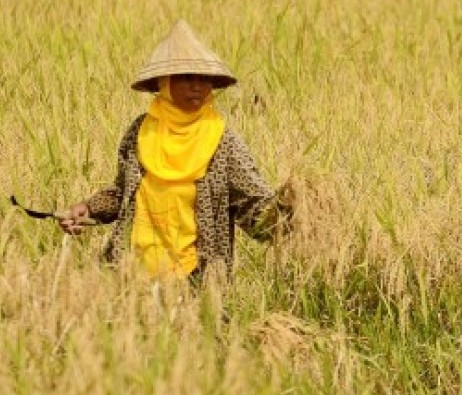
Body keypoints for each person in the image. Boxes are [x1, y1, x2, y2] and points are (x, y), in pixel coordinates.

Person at [59, 19, 293, 283]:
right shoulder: (140, 132)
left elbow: (254, 207)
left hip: (196, 279)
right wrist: (87, 209)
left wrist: (295, 211)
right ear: (164, 83)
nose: (197, 86)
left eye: (204, 79)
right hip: (131, 274)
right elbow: (123, 195)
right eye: (185, 77)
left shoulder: (223, 142)